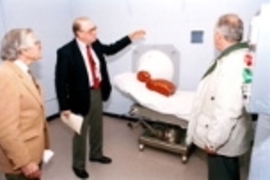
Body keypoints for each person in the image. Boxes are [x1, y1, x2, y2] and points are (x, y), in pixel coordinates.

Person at [55, 16, 145, 179]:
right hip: (79, 96)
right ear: (79, 33)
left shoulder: (94, 43)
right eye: (91, 30)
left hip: (97, 91)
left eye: (94, 28)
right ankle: (78, 165)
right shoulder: (66, 52)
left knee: (97, 126)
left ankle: (96, 154)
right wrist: (64, 106)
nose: (95, 32)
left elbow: (111, 49)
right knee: (80, 131)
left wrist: (130, 37)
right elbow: (60, 82)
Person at [186, 14, 252, 180]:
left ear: (218, 35)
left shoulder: (232, 65)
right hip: (229, 136)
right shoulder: (240, 56)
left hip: (222, 140)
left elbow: (228, 108)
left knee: (221, 174)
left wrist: (213, 141)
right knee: (229, 172)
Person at [0, 28, 50, 180]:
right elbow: (6, 129)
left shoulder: (23, 71)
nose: (40, 45)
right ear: (22, 49)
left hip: (32, 149)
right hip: (21, 160)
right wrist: (25, 162)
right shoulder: (7, 77)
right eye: (36, 42)